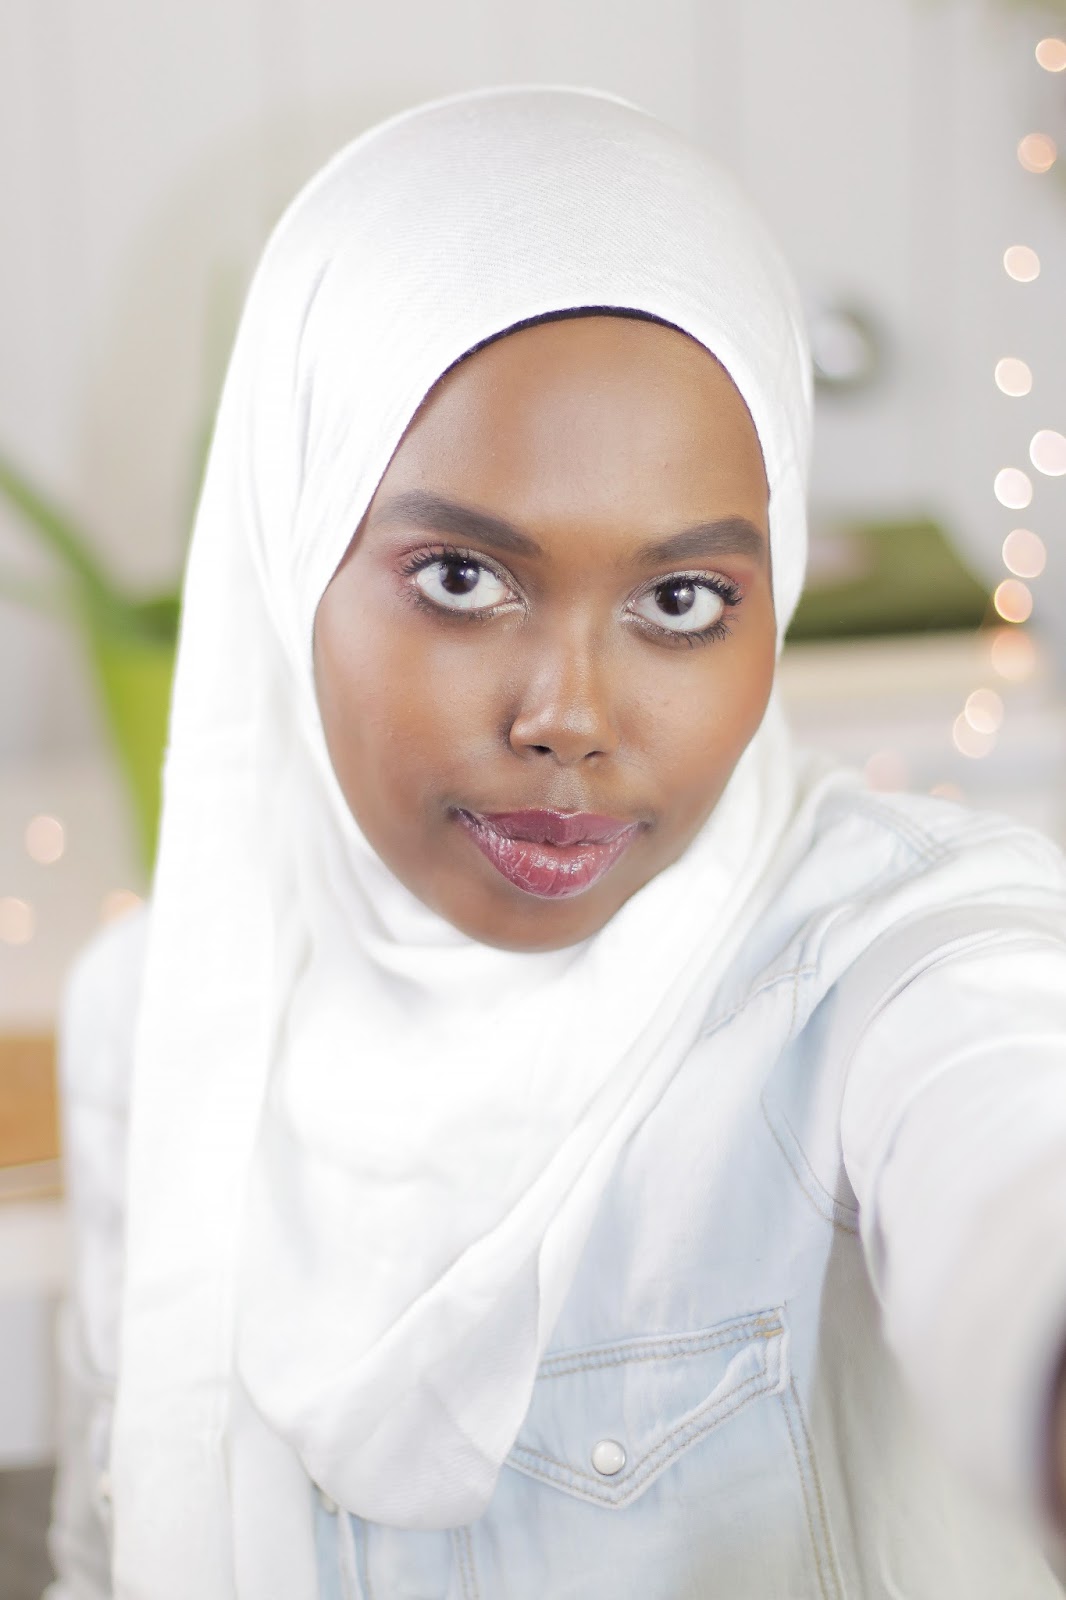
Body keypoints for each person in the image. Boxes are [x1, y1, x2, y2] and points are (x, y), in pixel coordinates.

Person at [45, 84, 1066, 1600]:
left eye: (680, 602)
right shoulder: (155, 1014)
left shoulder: (873, 969)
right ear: (293, 551)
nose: (568, 718)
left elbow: (1005, 1128)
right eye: (463, 578)